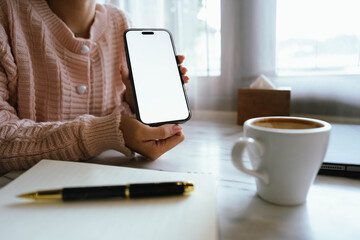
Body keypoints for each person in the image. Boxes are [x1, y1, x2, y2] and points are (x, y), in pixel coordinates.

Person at [0, 0, 190, 174]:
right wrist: (103, 134)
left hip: (113, 184)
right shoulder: (7, 15)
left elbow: (120, 123)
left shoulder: (121, 22)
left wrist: (134, 106)